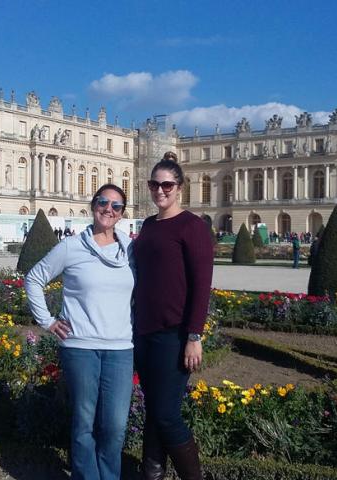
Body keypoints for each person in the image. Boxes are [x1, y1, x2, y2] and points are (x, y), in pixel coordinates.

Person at [25, 184, 135, 480]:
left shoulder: (130, 249)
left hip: (121, 348)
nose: (108, 209)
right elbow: (34, 278)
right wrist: (47, 321)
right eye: (103, 202)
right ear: (93, 205)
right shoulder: (71, 247)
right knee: (84, 421)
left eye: (116, 206)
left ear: (122, 214)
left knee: (114, 425)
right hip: (80, 347)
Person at [133, 152, 213, 480]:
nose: (160, 190)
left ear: (179, 187)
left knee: (166, 415)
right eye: (155, 184)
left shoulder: (192, 226)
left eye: (167, 184)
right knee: (153, 410)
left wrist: (194, 336)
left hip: (174, 332)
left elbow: (201, 284)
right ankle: (151, 474)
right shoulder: (149, 225)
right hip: (144, 331)